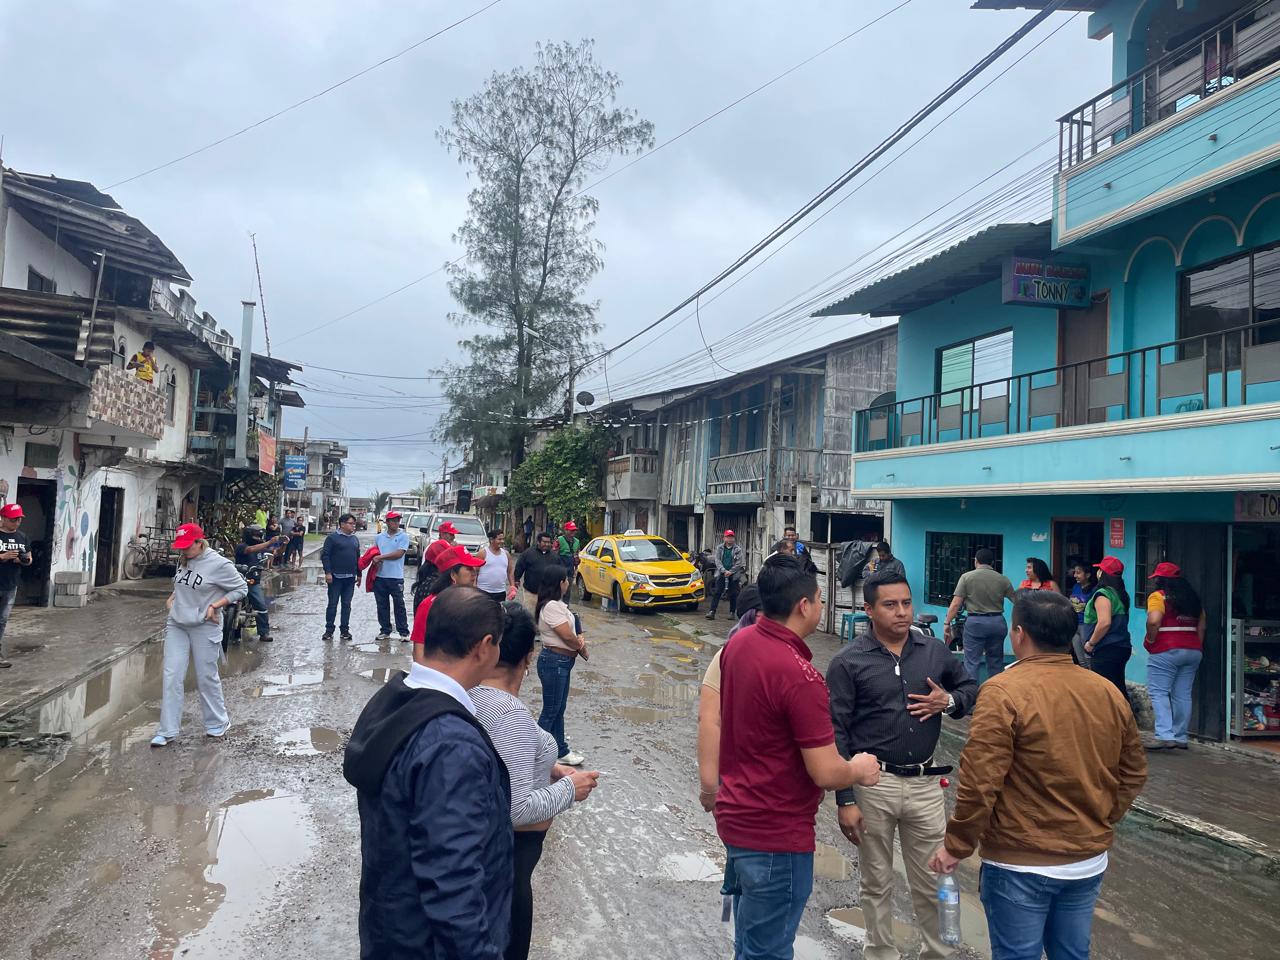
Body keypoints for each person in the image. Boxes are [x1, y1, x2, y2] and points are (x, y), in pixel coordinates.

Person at [929, 591, 1147, 960]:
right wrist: (1102, 816)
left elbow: (981, 781)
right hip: (1086, 859)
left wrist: (956, 845)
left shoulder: (1002, 691)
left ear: (1019, 634)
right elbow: (1134, 771)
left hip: (1020, 861)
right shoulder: (1106, 691)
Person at [714, 554, 880, 959]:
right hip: (776, 834)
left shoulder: (739, 644)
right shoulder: (799, 675)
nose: (821, 607)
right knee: (768, 951)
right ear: (804, 606)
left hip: (737, 817)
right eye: (820, 600)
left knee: (750, 945)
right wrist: (858, 768)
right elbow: (825, 771)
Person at [343, 587, 513, 959]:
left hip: (391, 928)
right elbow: (452, 882)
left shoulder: (396, 698)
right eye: (499, 643)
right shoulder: (451, 744)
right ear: (484, 646)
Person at [826, 571, 978, 960]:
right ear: (869, 610)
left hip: (926, 785)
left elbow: (970, 689)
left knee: (933, 877)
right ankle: (880, 952)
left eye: (906, 603)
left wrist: (948, 701)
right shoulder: (848, 662)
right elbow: (837, 732)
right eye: (890, 605)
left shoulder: (934, 651)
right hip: (873, 785)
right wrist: (846, 798)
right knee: (876, 880)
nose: (901, 612)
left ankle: (937, 954)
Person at [470, 602, 601, 960]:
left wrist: (551, 768)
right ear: (529, 656)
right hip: (508, 863)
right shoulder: (508, 714)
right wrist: (569, 789)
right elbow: (515, 809)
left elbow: (499, 765)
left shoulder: (474, 696)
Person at [151, 524, 247, 747]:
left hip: (205, 625)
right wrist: (172, 599)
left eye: (187, 546)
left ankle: (218, 722)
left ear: (199, 542)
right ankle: (167, 731)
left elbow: (241, 589)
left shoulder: (219, 564)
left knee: (206, 676)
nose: (183, 550)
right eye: (180, 547)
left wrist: (216, 605)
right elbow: (184, 584)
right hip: (177, 624)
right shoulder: (185, 559)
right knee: (171, 675)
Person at [697, 585, 763, 813]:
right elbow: (709, 719)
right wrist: (709, 787)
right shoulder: (728, 655)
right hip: (737, 772)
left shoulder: (785, 656)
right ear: (754, 616)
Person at [1144, 561, 1205, 750]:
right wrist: (1196, 646)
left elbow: (1154, 621)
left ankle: (1164, 735)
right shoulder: (1193, 599)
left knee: (1159, 692)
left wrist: (1151, 640)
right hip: (1193, 650)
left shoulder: (1158, 597)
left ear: (1160, 580)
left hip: (1166, 649)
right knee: (1183, 694)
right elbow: (1202, 627)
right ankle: (1181, 737)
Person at [535, 569, 587, 767]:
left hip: (562, 662)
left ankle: (560, 750)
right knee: (551, 710)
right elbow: (566, 635)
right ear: (559, 583)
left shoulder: (557, 605)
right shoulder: (551, 606)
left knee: (558, 708)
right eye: (566, 580)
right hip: (554, 662)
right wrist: (579, 644)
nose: (568, 583)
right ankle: (535, 753)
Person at [945, 548, 1016, 682]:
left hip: (975, 623)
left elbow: (956, 604)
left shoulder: (966, 577)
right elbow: (1016, 600)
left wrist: (947, 623)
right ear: (992, 563)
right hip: (997, 622)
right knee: (996, 662)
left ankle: (970, 692)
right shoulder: (1002, 579)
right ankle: (995, 692)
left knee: (971, 662)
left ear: (975, 561)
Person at [411, 544, 486, 659]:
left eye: (474, 568)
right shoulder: (430, 605)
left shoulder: (474, 603)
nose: (474, 573)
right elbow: (419, 649)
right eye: (468, 568)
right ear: (453, 575)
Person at [1083, 556, 1132, 703]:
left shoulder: (1103, 594)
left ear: (1103, 573)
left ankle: (1110, 717)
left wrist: (1091, 643)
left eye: (1100, 569)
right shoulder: (1121, 594)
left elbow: (1104, 623)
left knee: (1104, 691)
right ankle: (1124, 715)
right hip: (1121, 646)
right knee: (1117, 688)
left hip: (1106, 648)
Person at [234, 524, 285, 641]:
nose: (259, 537)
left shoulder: (261, 548)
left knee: (261, 605)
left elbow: (276, 553)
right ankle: (232, 632)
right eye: (256, 535)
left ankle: (264, 632)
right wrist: (270, 542)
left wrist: (284, 544)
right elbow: (250, 550)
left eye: (259, 535)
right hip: (239, 581)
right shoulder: (242, 546)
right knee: (229, 604)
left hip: (253, 582)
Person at [0, 502, 33, 669]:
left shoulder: (22, 537)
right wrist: (2, 557)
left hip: (10, 585)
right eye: (13, 519)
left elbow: (29, 558)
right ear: (3, 518)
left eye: (19, 519)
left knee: (2, 620)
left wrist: (22, 560)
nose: (17, 523)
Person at [372, 510, 411, 641]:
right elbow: (374, 553)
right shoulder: (379, 537)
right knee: (382, 605)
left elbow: (399, 554)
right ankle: (385, 630)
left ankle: (403, 632)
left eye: (397, 520)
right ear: (387, 522)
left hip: (396, 577)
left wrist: (380, 557)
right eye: (393, 520)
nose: (396, 523)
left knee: (399, 605)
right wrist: (374, 560)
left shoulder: (403, 536)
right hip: (380, 576)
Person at [321, 513, 361, 642]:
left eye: (354, 524)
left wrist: (359, 574)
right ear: (342, 524)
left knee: (346, 604)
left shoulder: (354, 539)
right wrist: (328, 572)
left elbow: (357, 558)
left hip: (350, 578)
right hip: (335, 577)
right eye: (350, 523)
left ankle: (344, 630)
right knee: (332, 604)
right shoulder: (332, 538)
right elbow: (325, 556)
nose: (353, 526)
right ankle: (329, 630)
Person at [705, 529, 745, 621]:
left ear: (734, 538)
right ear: (724, 538)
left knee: (733, 594)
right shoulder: (719, 548)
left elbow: (739, 563)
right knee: (717, 592)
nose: (730, 539)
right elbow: (717, 560)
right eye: (728, 537)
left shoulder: (738, 549)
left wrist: (730, 571)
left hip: (733, 574)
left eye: (731, 537)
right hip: (721, 573)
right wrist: (723, 571)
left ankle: (732, 613)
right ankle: (712, 612)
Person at [1067, 558, 1096, 668]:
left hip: (1086, 626)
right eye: (1074, 572)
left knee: (1088, 656)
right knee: (1080, 659)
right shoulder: (1076, 587)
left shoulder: (1094, 590)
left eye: (1078, 573)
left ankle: (1093, 676)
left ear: (1087, 575)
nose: (1075, 575)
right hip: (1075, 625)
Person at [514, 532, 560, 598]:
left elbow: (558, 572)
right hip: (530, 592)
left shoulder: (555, 556)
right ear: (538, 542)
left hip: (548, 594)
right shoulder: (528, 553)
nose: (547, 544)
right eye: (544, 542)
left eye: (549, 542)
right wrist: (517, 579)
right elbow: (520, 566)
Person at [478, 527, 516, 604]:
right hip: (483, 591)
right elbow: (475, 572)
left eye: (503, 539)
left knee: (499, 611)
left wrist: (512, 587)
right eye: (499, 539)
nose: (502, 541)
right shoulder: (483, 553)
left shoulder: (506, 554)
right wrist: (473, 588)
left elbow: (510, 572)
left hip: (500, 592)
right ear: (491, 540)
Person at [556, 521, 582, 596]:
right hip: (560, 569)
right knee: (557, 590)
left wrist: (576, 566)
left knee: (567, 591)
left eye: (574, 530)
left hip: (570, 570)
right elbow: (554, 555)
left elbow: (577, 555)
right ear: (566, 530)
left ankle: (566, 604)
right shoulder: (559, 540)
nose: (573, 532)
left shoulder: (577, 541)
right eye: (571, 530)